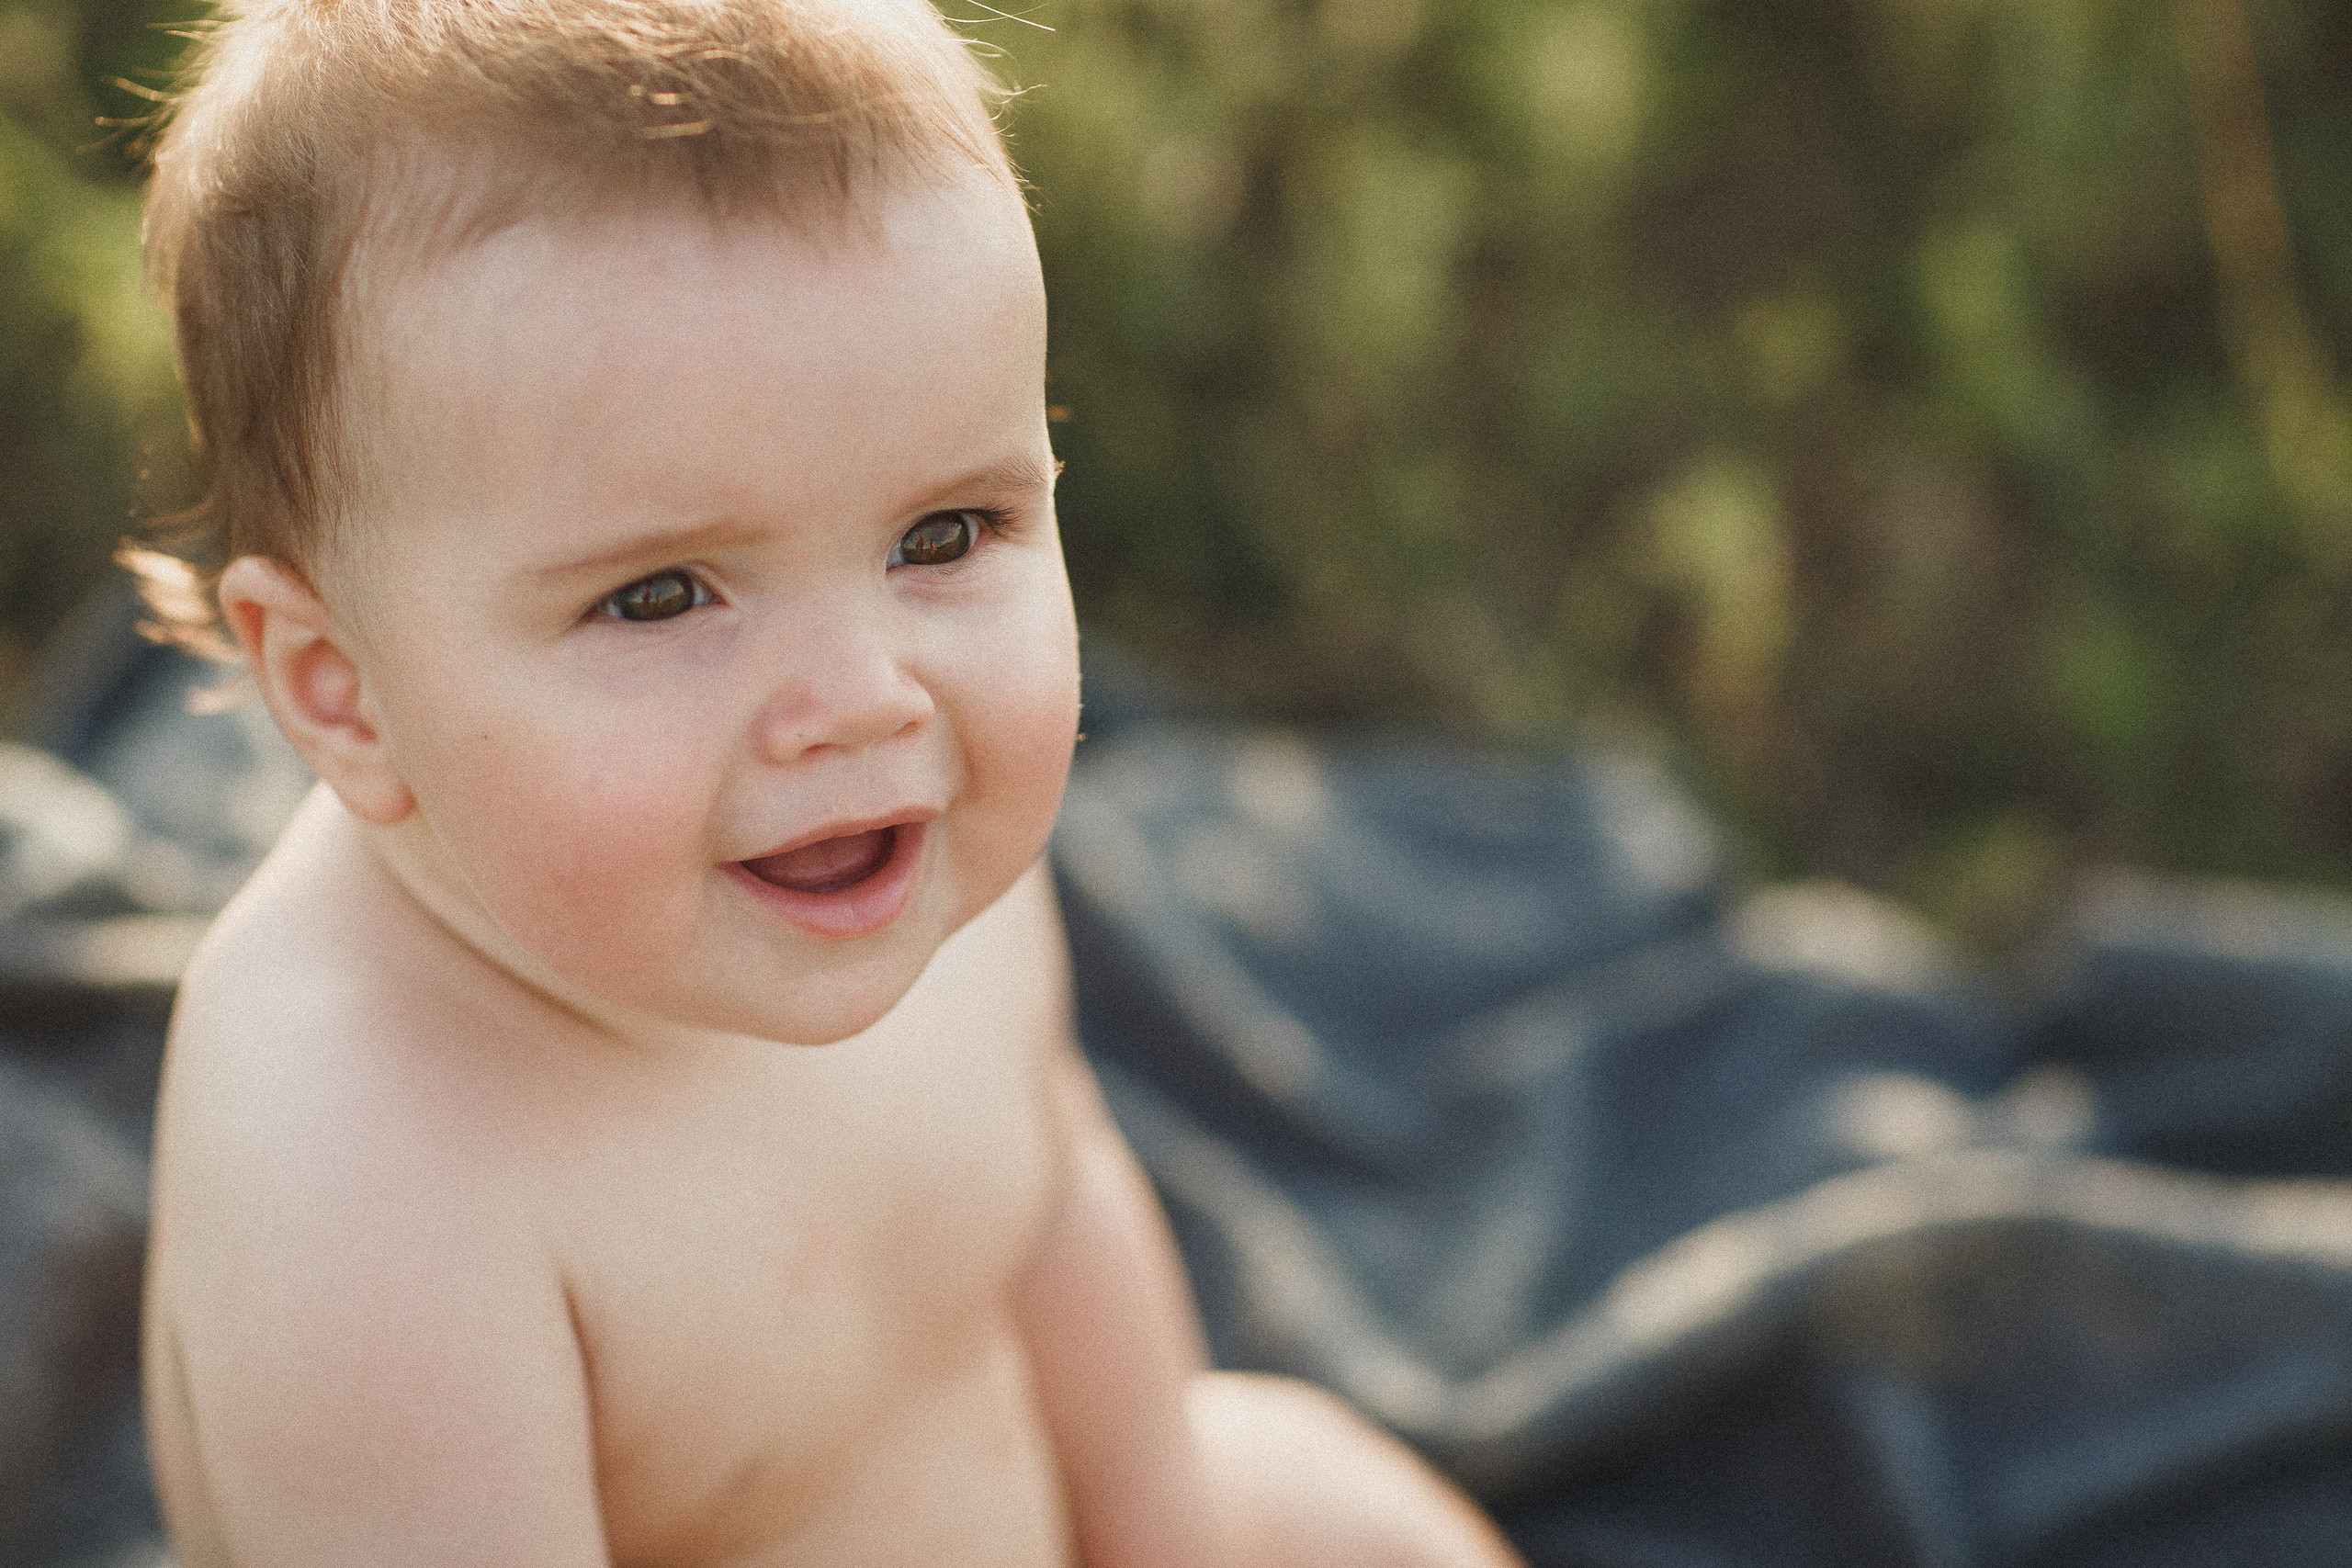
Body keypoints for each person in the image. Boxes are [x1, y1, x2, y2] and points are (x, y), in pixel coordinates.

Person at [128, 0, 1528, 1562]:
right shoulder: (357, 1176)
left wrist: (1173, 1536)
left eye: (943, 536)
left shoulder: (901, 850)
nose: (868, 702)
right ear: (342, 690)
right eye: (662, 596)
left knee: (1332, 1499)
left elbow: (1052, 1201)